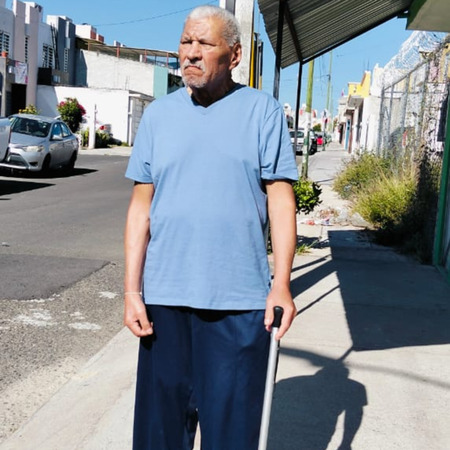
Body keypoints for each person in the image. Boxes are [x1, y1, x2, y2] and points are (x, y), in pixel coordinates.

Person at [124, 5, 298, 449]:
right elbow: (141, 207)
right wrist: (131, 292)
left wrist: (281, 284)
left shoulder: (262, 112)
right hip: (164, 303)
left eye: (205, 43)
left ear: (234, 55)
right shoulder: (158, 116)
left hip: (239, 305)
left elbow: (281, 202)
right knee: (159, 437)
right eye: (186, 41)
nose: (191, 53)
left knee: (232, 436)